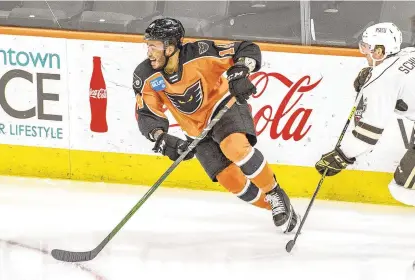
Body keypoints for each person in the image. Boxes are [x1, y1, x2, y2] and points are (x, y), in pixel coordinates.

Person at [132, 17, 300, 233]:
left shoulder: (200, 53)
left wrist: (241, 71)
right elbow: (147, 112)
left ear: (170, 47)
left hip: (223, 108)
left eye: (153, 45)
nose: (149, 51)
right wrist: (160, 137)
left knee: (235, 148)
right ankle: (278, 207)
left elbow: (246, 49)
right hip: (195, 130)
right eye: (148, 45)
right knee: (231, 181)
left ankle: (274, 192)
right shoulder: (145, 76)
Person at [315, 22, 415, 207]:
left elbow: (369, 134)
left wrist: (341, 156)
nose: (364, 52)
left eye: (366, 47)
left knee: (402, 188)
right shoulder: (409, 52)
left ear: (380, 51)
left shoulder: (382, 82)